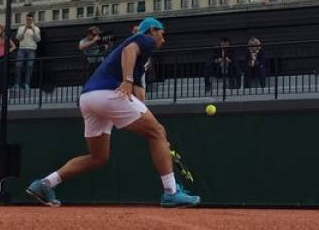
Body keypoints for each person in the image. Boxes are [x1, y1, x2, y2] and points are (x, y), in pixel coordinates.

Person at [26, 17, 200, 208]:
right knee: (157, 132)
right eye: (162, 33)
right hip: (109, 93)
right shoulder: (144, 40)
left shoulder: (142, 62)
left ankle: (44, 184)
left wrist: (155, 133)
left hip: (88, 98)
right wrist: (127, 80)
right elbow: (129, 50)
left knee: (98, 157)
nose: (163, 39)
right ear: (152, 30)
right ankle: (171, 192)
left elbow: (140, 98)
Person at [15, 12, 41, 89]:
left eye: (30, 20)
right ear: (25, 20)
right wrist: (25, 29)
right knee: (18, 66)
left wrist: (33, 29)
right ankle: (17, 84)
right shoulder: (21, 28)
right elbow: (19, 38)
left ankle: (27, 84)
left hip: (31, 50)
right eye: (27, 20)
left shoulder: (36, 29)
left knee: (29, 67)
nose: (29, 21)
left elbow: (38, 39)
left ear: (33, 20)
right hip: (22, 49)